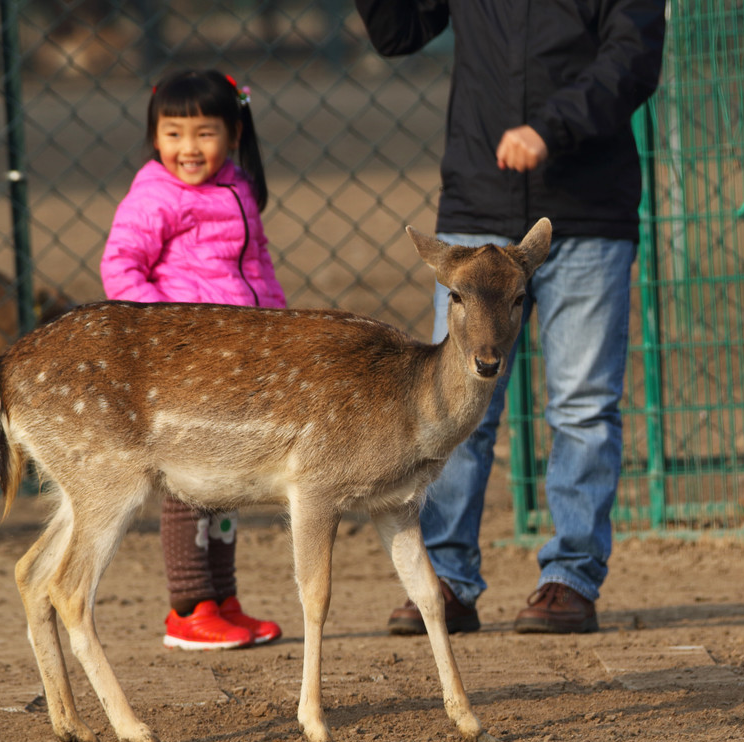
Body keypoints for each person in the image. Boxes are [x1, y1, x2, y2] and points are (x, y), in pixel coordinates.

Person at [356, 0, 666, 634]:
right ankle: (447, 578)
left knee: (582, 403)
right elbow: (398, 32)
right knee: (457, 399)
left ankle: (570, 578)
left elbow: (632, 60)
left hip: (586, 211)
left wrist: (551, 128)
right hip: (478, 206)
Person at [100, 68, 285, 650]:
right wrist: (169, 331)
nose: (188, 149)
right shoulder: (154, 195)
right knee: (187, 483)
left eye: (203, 133)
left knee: (227, 483)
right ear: (154, 136)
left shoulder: (236, 188)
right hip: (184, 364)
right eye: (173, 133)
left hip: (239, 359)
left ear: (234, 132)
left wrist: (276, 332)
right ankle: (187, 606)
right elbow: (120, 269)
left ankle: (223, 598)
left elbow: (256, 270)